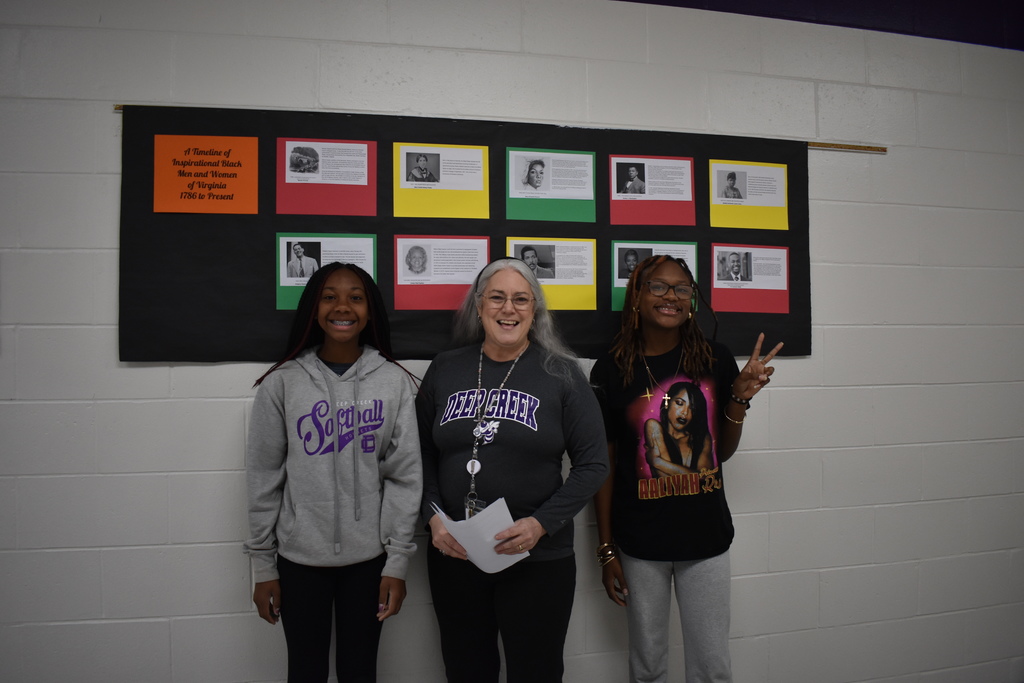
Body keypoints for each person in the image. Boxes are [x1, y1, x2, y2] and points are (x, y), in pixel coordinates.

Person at [590, 255, 782, 683]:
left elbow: (722, 453)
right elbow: (603, 465)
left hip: (705, 537)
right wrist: (606, 550)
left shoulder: (714, 358)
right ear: (637, 297)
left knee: (712, 668)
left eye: (681, 288)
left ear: (691, 301)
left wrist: (738, 398)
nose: (670, 296)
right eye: (657, 287)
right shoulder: (610, 369)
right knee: (647, 667)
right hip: (640, 542)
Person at [418, 258, 608, 683]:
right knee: (467, 671)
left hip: (537, 558)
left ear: (535, 311)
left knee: (535, 672)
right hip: (457, 554)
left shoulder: (561, 374)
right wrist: (433, 517)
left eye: (521, 299)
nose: (509, 309)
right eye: (497, 297)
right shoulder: (446, 368)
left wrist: (541, 524)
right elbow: (420, 454)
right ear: (479, 306)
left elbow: (594, 464)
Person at [243, 262, 423, 683]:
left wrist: (396, 562)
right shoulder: (283, 383)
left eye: (355, 297)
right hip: (299, 560)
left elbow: (405, 476)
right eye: (330, 296)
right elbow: (263, 481)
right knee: (304, 671)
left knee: (360, 672)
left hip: (370, 562)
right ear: (313, 308)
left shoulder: (393, 383)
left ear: (370, 311)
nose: (343, 306)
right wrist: (264, 568)